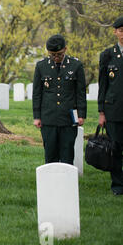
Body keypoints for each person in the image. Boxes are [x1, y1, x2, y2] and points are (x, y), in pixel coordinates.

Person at [33, 34, 87, 165]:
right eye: (53, 55)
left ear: (65, 49)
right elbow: (37, 94)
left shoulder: (76, 65)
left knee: (67, 152)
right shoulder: (41, 66)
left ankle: (67, 183)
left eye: (59, 54)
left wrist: (81, 115)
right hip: (48, 117)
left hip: (68, 118)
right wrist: (37, 116)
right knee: (50, 153)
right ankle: (51, 183)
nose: (56, 58)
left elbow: (80, 92)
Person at [98, 16, 123, 196]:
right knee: (115, 149)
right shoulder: (108, 55)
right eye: (121, 30)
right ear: (115, 32)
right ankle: (118, 185)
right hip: (114, 110)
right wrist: (101, 112)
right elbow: (103, 84)